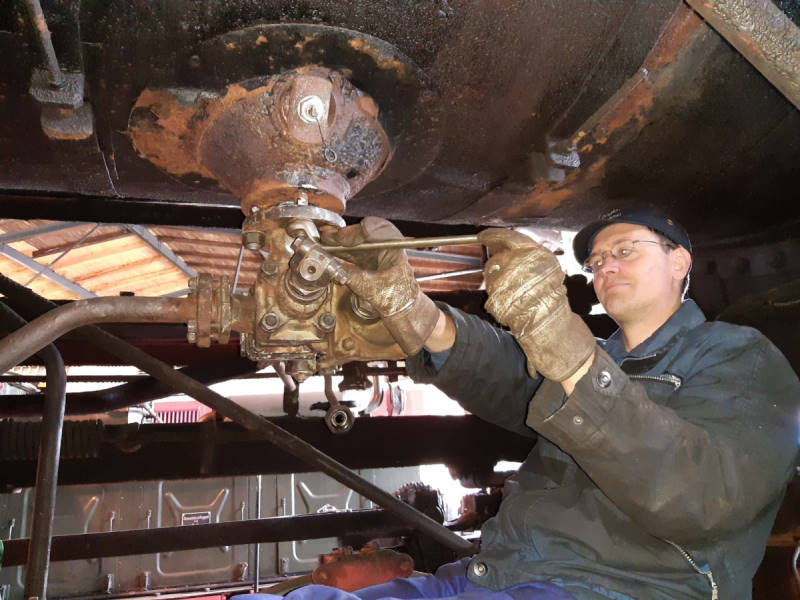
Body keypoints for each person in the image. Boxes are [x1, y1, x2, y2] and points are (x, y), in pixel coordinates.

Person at [241, 207, 800, 600]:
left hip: (618, 588)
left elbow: (702, 494)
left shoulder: (741, 357)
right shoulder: (601, 356)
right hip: (498, 573)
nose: (605, 266)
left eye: (625, 251)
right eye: (596, 260)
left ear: (680, 261)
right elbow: (515, 378)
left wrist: (563, 344)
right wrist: (416, 315)